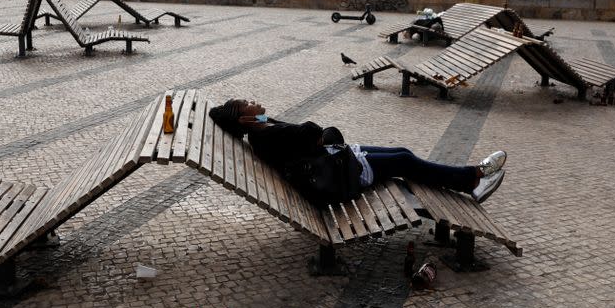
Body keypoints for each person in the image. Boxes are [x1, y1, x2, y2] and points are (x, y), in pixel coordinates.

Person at [208, 99, 506, 204]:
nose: (252, 100)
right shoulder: (266, 138)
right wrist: (324, 135)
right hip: (339, 177)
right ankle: (472, 179)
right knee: (403, 160)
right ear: (244, 119)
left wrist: (260, 120)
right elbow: (311, 131)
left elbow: (310, 136)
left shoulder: (263, 133)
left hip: (336, 161)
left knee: (402, 153)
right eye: (247, 104)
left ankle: (470, 180)